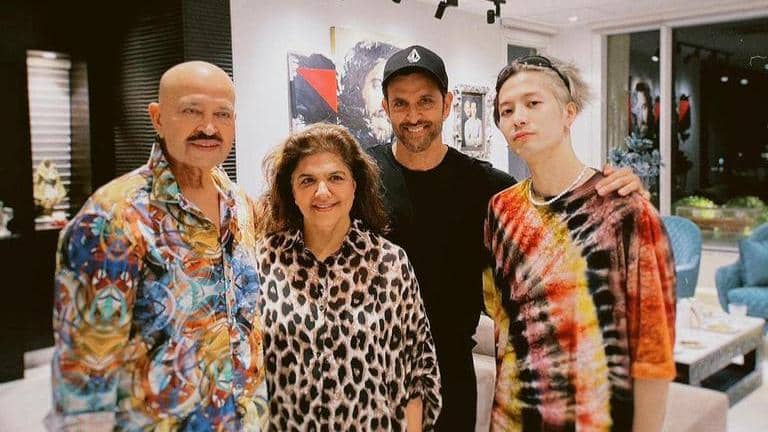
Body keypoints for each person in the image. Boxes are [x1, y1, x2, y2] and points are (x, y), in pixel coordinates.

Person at [367, 45, 647, 430]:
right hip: (371, 368)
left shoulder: (489, 189)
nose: (413, 115)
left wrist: (613, 189)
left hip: (451, 374)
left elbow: (556, 232)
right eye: (400, 103)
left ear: (448, 104)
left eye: (426, 101)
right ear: (385, 107)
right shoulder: (360, 174)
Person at [49, 61, 268, 431]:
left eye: (222, 114)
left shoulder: (239, 205)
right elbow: (84, 380)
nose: (209, 127)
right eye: (191, 111)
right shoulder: (111, 218)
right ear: (158, 118)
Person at [484, 55, 676, 431]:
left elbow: (654, 352)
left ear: (568, 113)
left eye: (533, 103)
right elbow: (501, 317)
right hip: (513, 418)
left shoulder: (624, 209)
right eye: (506, 110)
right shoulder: (501, 210)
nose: (518, 117)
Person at [256, 123, 441, 430]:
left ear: (355, 186)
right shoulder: (264, 260)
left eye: (336, 178)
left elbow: (416, 376)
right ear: (292, 190)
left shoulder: (389, 263)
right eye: (307, 180)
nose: (322, 192)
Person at [338, 40, 400, 148]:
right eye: (377, 85)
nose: (386, 100)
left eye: (397, 89)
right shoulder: (341, 147)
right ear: (358, 89)